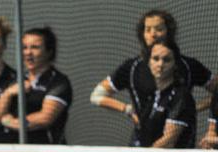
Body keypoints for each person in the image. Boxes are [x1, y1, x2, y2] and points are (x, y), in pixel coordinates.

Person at [90, 8, 217, 138]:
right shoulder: (131, 68)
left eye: (159, 29)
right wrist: (127, 109)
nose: (153, 34)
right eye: (148, 29)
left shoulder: (189, 66)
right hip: (143, 142)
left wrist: (193, 109)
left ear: (169, 32)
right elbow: (96, 96)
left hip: (180, 144)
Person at [0, 26, 72, 144]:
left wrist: (10, 122)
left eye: (35, 47)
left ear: (49, 51)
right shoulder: (15, 79)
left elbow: (45, 118)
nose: (28, 53)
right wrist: (8, 94)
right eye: (24, 47)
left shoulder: (58, 82)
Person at [128, 38, 195, 148]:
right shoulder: (153, 96)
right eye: (155, 59)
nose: (160, 64)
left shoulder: (181, 96)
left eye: (167, 60)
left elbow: (168, 141)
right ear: (148, 62)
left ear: (175, 64)